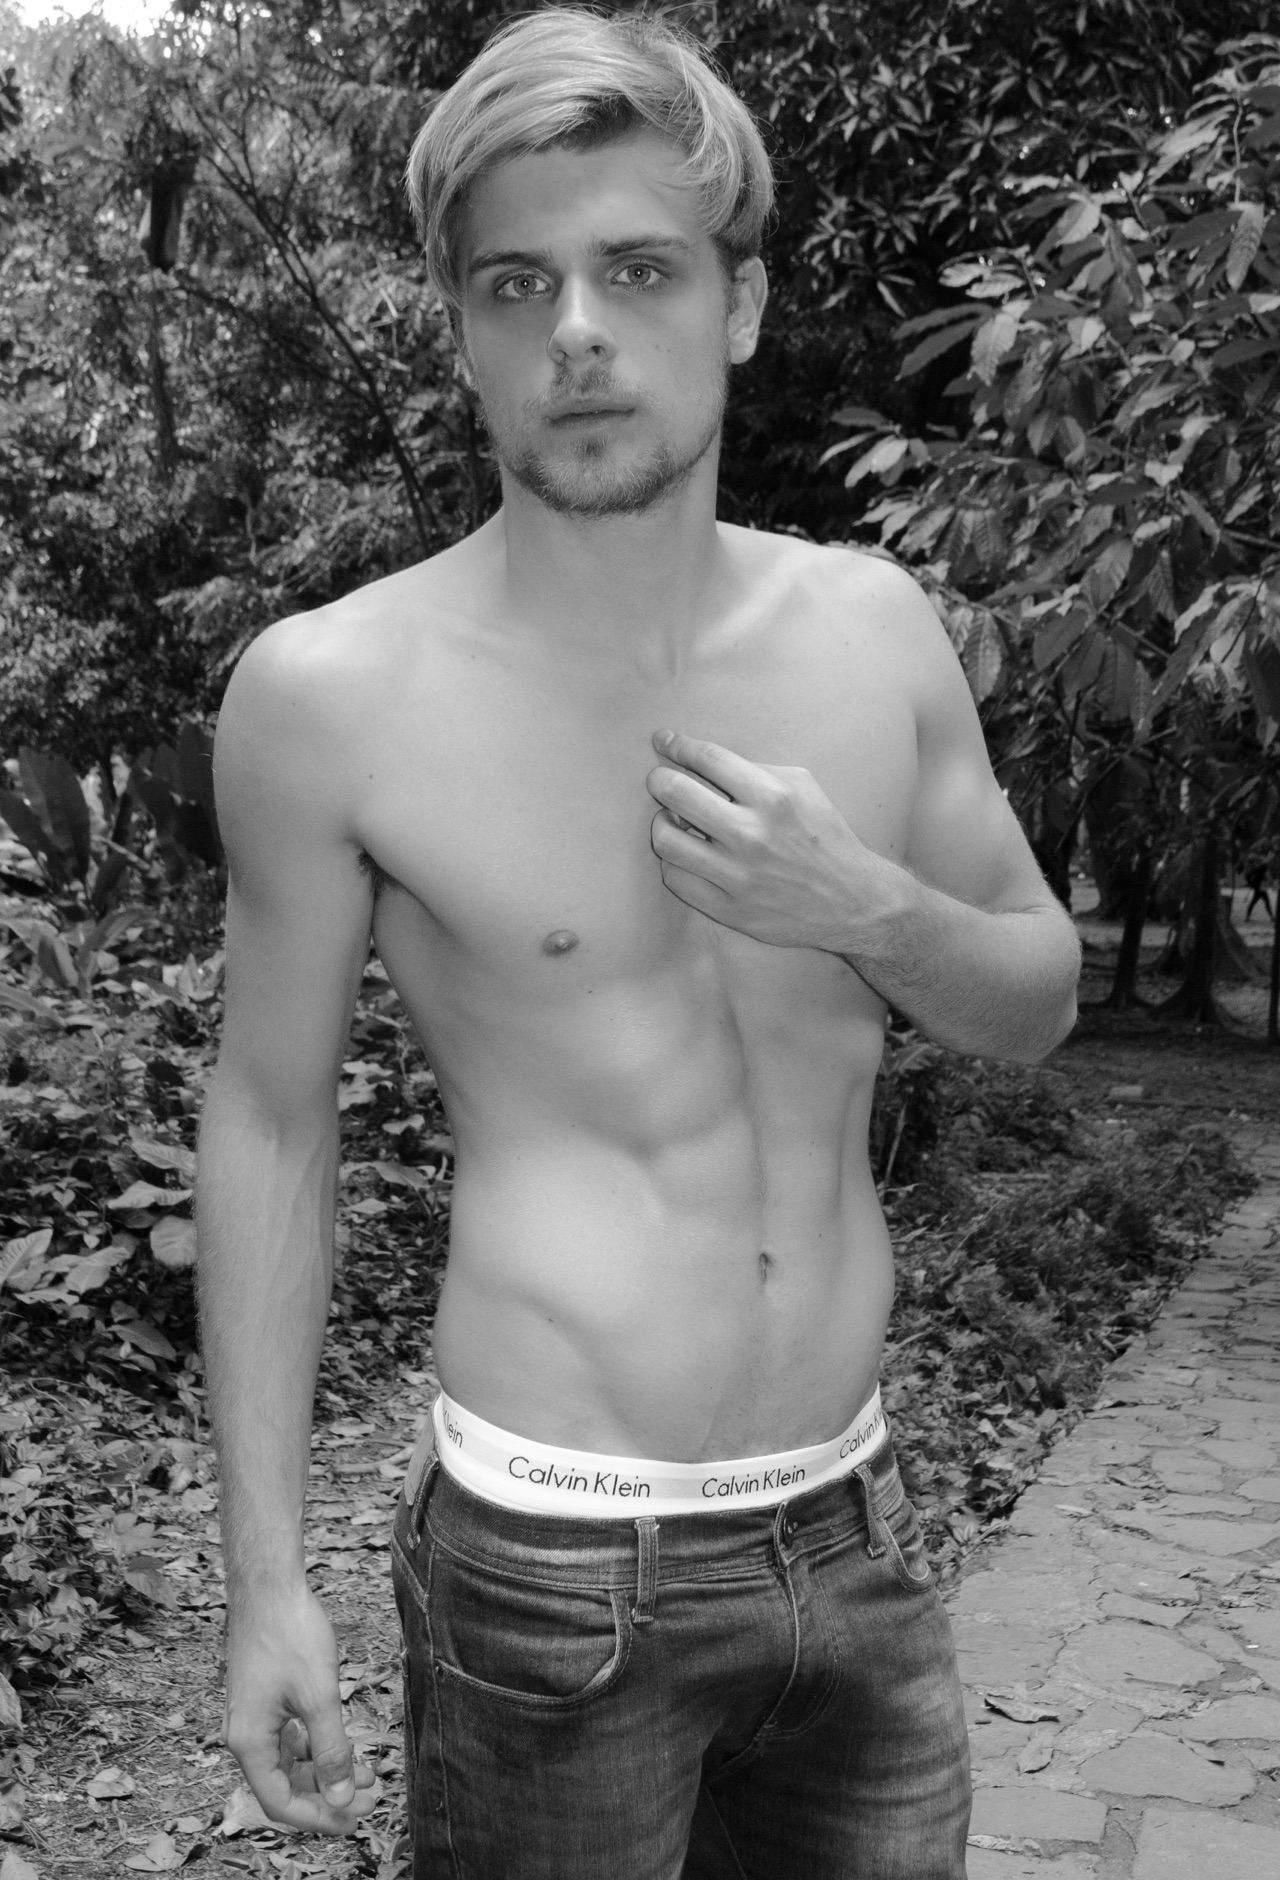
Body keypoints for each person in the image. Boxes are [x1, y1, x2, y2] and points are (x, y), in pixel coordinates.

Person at [195, 9, 1081, 1877]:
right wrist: (266, 1582)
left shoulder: (874, 632)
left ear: (738, 305)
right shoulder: (333, 695)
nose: (577, 331)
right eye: (516, 284)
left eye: (641, 269)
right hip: (551, 1564)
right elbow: (272, 1124)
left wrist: (868, 910)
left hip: (857, 1535)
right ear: (462, 331)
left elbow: (1036, 996)